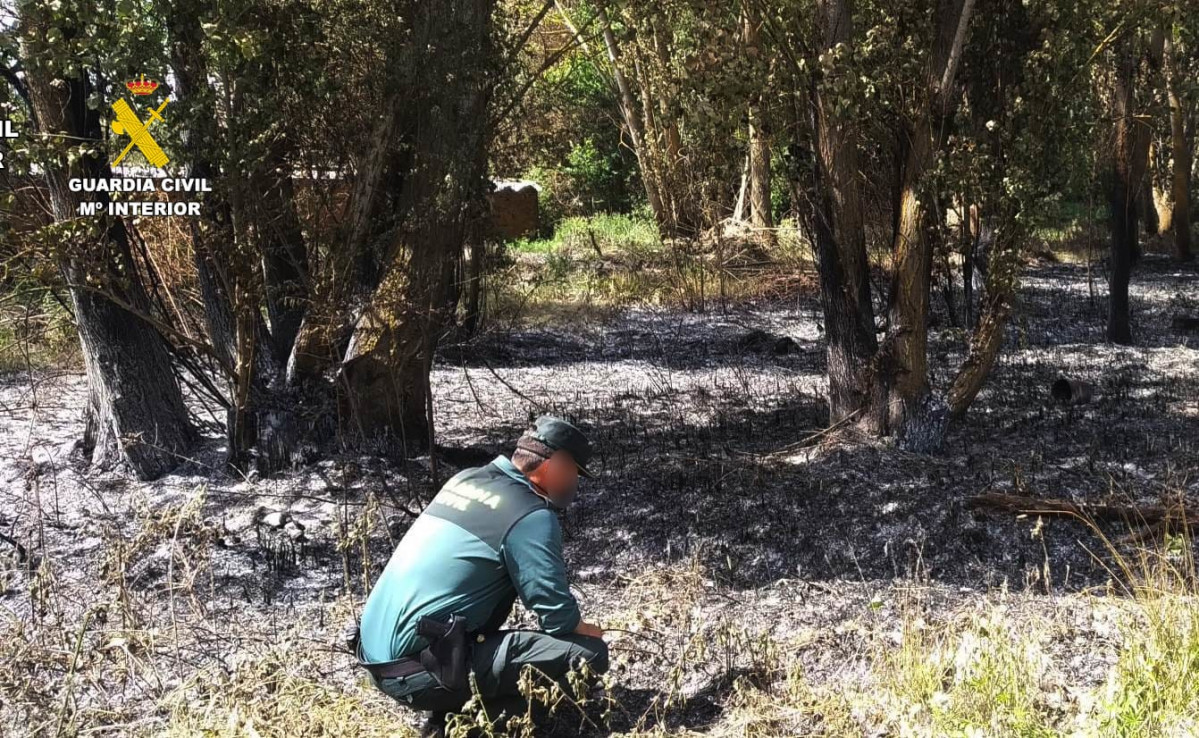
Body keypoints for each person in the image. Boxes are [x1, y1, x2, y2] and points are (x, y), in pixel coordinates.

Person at [356, 416, 609, 737]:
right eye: (575, 472)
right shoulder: (531, 515)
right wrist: (586, 631)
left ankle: (450, 708)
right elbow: (556, 615)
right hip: (418, 672)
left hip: (375, 658)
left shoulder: (466, 480)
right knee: (589, 656)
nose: (575, 483)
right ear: (556, 463)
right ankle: (459, 728)